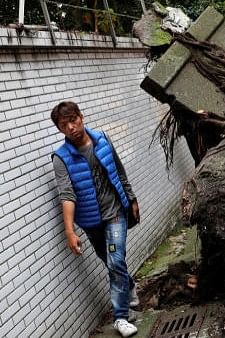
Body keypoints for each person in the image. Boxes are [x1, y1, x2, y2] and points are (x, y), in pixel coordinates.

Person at [51, 101, 140, 337]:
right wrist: (69, 231)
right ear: (60, 129)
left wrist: (131, 198)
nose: (70, 127)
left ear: (81, 116)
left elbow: (119, 171)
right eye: (64, 125)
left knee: (115, 261)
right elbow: (67, 195)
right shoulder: (61, 158)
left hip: (115, 214)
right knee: (111, 263)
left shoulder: (102, 139)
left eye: (73, 120)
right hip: (91, 222)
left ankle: (120, 317)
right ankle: (129, 285)